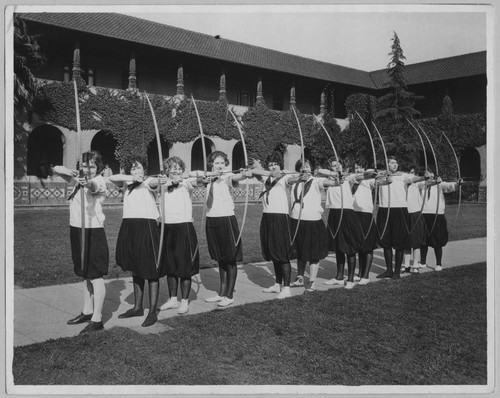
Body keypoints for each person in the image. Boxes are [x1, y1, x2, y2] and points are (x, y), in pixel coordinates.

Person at [52, 151, 109, 334]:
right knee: (85, 274)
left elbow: (93, 186)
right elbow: (56, 169)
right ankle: (87, 311)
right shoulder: (75, 179)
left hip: (93, 231)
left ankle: (97, 319)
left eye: (92, 166)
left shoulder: (99, 180)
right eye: (85, 165)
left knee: (96, 276)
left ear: (98, 168)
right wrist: (74, 173)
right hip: (77, 229)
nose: (88, 169)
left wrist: (87, 181)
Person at [109, 156, 163, 327]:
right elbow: (112, 178)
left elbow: (155, 182)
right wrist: (131, 178)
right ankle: (138, 307)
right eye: (133, 168)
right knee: (136, 266)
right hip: (130, 226)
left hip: (146, 226)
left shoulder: (148, 182)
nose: (136, 171)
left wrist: (155, 179)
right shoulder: (126, 183)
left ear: (144, 170)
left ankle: (153, 312)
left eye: (139, 168)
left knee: (151, 269)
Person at [195, 150, 251, 308]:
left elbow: (237, 177)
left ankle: (230, 294)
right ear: (211, 164)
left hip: (226, 219)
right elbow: (196, 177)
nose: (219, 165)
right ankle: (221, 293)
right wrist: (208, 177)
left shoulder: (226, 177)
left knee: (230, 258)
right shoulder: (207, 178)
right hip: (212, 219)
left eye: (222, 163)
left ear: (226, 164)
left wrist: (245, 174)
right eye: (216, 163)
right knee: (220, 258)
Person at [317, 159, 376, 289]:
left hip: (346, 213)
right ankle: (339, 277)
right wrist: (334, 173)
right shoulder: (329, 178)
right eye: (333, 165)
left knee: (348, 247)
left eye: (338, 165)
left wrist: (371, 175)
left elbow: (362, 176)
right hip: (333, 213)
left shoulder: (348, 178)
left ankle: (350, 279)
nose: (335, 167)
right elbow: (319, 170)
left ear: (343, 167)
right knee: (338, 247)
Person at [156, 157, 200, 314]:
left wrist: (200, 177)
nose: (175, 170)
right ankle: (173, 299)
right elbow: (156, 185)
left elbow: (198, 181)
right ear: (167, 170)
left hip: (184, 228)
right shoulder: (161, 184)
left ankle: (184, 301)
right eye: (171, 168)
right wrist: (167, 182)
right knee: (170, 266)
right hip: (166, 228)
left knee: (185, 266)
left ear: (182, 170)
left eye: (178, 167)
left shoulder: (186, 183)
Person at [288, 158, 339, 292]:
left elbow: (330, 183)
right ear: (299, 169)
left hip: (312, 222)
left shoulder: (316, 181)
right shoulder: (294, 181)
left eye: (308, 166)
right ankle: (299, 277)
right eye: (303, 166)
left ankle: (312, 282)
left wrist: (337, 178)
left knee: (313, 253)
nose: (306, 168)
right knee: (299, 250)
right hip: (296, 220)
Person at [251, 152, 296, 299]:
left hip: (280, 217)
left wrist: (296, 176)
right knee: (274, 252)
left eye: (275, 163)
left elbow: (293, 179)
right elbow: (255, 171)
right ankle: (277, 284)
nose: (273, 166)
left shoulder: (285, 178)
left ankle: (287, 287)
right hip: (268, 217)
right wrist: (269, 171)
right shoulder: (267, 176)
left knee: (282, 253)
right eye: (270, 164)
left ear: (280, 164)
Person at [376, 156, 426, 279]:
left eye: (396, 162)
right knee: (386, 242)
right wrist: (383, 174)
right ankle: (388, 271)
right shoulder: (380, 176)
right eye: (392, 163)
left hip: (400, 211)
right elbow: (370, 175)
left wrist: (425, 177)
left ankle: (397, 272)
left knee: (400, 242)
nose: (395, 164)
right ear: (387, 165)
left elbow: (414, 179)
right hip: (384, 209)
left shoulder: (403, 176)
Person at [418, 170, 463, 271]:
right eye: (427, 172)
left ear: (434, 174)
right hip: (424, 214)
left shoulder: (440, 184)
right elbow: (425, 184)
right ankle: (422, 262)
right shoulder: (421, 183)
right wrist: (435, 182)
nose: (429, 174)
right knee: (423, 240)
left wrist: (458, 183)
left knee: (437, 240)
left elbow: (449, 186)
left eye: (431, 172)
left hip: (437, 215)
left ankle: (439, 264)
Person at [351, 163, 381, 285]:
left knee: (367, 245)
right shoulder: (352, 178)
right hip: (354, 213)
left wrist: (379, 177)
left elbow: (379, 183)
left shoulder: (369, 181)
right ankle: (360, 273)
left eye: (360, 167)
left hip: (366, 214)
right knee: (359, 244)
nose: (358, 169)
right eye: (356, 167)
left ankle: (366, 275)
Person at [402, 166, 428, 273]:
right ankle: (406, 265)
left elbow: (427, 183)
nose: (411, 174)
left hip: (415, 214)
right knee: (406, 241)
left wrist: (428, 178)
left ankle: (415, 265)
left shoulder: (418, 183)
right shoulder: (402, 184)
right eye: (409, 172)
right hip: (404, 214)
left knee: (416, 240)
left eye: (413, 172)